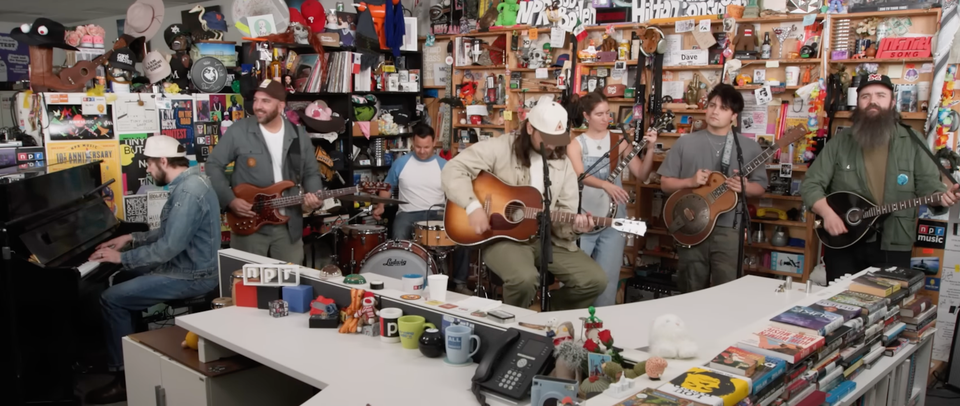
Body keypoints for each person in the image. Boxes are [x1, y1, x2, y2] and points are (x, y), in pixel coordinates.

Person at [84, 136, 221, 404]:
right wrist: (131, 239)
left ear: (163, 161)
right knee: (123, 279)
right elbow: (173, 231)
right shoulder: (194, 182)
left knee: (111, 299)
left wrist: (120, 258)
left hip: (192, 276)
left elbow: (167, 248)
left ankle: (123, 379)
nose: (146, 169)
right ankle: (127, 352)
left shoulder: (188, 192)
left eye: (147, 163)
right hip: (189, 267)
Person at [441, 102, 607, 310]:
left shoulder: (563, 163)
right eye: (546, 138)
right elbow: (453, 169)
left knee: (595, 280)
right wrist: (472, 206)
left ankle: (540, 313)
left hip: (547, 238)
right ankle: (512, 324)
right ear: (530, 128)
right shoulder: (501, 147)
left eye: (556, 140)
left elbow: (565, 212)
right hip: (503, 237)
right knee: (524, 279)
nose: (551, 146)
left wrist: (575, 228)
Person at [801, 74, 960, 281]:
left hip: (893, 242)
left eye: (880, 95)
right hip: (845, 242)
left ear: (892, 102)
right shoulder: (840, 142)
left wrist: (941, 197)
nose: (872, 101)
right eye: (865, 96)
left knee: (888, 308)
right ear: (857, 103)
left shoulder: (912, 141)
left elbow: (929, 186)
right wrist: (827, 213)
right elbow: (811, 184)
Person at [658, 84, 768, 293]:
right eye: (712, 105)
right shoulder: (685, 142)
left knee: (726, 292)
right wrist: (689, 182)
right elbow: (665, 184)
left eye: (723, 108)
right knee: (690, 289)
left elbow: (760, 188)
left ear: (734, 115)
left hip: (729, 229)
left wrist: (745, 186)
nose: (715, 111)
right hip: (691, 226)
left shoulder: (750, 147)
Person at [207, 79, 324, 264]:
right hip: (250, 225)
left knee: (290, 284)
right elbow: (213, 165)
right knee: (249, 286)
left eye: (265, 101)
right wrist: (230, 201)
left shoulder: (298, 135)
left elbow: (311, 172)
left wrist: (315, 196)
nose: (258, 106)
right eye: (256, 100)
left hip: (288, 227)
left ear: (281, 106)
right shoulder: (239, 131)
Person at [568, 92, 657, 306]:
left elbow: (642, 175)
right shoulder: (575, 144)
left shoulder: (619, 141)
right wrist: (605, 184)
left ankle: (600, 331)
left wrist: (651, 148)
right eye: (599, 114)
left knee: (608, 283)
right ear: (586, 116)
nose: (605, 118)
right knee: (574, 281)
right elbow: (580, 175)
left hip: (613, 221)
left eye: (608, 113)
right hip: (583, 221)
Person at [373, 124, 471, 294]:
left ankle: (460, 282)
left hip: (438, 213)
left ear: (434, 143)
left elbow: (455, 192)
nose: (422, 151)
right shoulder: (401, 163)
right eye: (418, 146)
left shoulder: (445, 165)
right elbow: (387, 187)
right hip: (408, 213)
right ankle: (400, 278)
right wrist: (381, 206)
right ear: (413, 143)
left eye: (426, 147)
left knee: (463, 234)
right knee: (398, 236)